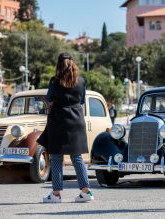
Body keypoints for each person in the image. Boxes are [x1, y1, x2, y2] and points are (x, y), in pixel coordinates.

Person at [42, 52, 94, 203]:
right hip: (77, 120)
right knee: (77, 157)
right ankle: (86, 192)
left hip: (58, 120)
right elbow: (82, 100)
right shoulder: (81, 81)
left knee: (56, 157)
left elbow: (49, 99)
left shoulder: (54, 81)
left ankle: (56, 194)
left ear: (58, 65)